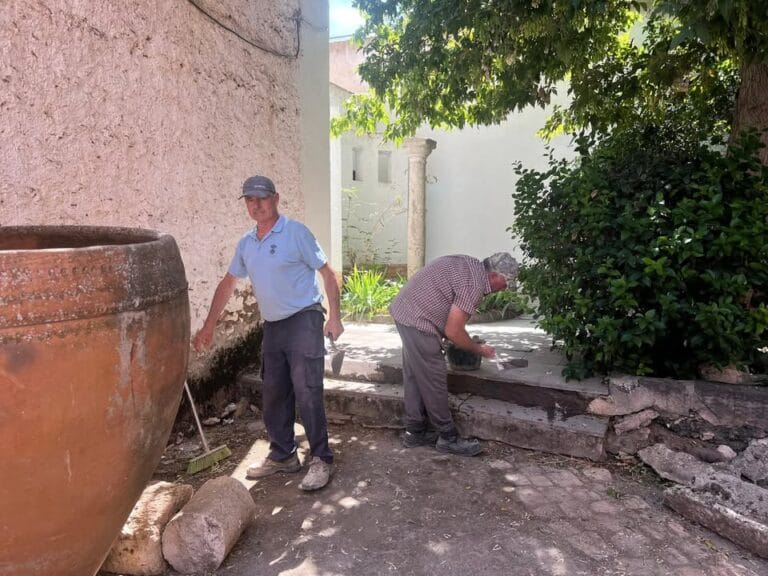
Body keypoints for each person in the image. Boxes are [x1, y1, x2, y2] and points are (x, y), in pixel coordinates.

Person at [193, 175, 343, 491]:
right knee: (274, 391)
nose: (256, 205)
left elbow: (327, 274)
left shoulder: (295, 233)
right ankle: (284, 455)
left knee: (307, 388)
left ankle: (321, 459)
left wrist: (334, 317)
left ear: (275, 198)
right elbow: (227, 283)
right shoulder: (247, 243)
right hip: (273, 325)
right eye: (249, 199)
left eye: (261, 198)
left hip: (304, 318)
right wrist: (209, 325)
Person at [390, 252, 518, 456]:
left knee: (415, 374)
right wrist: (479, 349)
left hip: (406, 311)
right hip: (417, 319)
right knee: (434, 376)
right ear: (495, 275)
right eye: (506, 282)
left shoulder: (472, 268)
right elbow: (453, 331)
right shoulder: (475, 285)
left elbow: (452, 324)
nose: (504, 288)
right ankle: (448, 437)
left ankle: (415, 432)